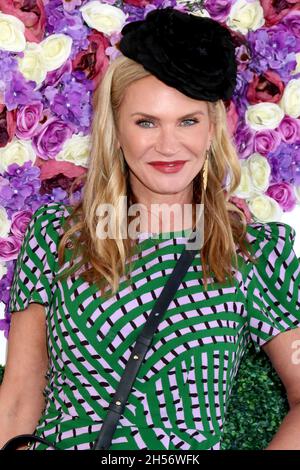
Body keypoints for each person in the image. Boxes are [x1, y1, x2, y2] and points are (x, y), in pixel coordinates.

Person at [0, 7, 300, 451]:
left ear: (213, 129)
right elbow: (21, 394)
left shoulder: (253, 250)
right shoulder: (57, 237)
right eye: (146, 122)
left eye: (188, 121)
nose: (168, 145)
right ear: (115, 129)